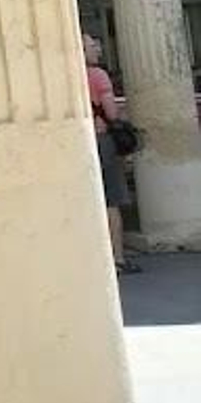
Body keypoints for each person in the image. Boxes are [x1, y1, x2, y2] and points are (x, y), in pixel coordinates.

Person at [84, 31, 139, 275]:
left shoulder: (66, 74)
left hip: (80, 141)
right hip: (102, 139)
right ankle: (117, 258)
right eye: (93, 46)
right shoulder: (97, 75)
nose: (98, 49)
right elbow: (111, 112)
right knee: (111, 199)